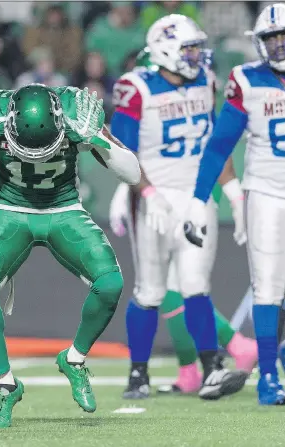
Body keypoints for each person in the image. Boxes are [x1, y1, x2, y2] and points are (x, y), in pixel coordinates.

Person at [0, 85, 140, 427]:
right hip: (12, 210)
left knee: (111, 283)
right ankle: (6, 385)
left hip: (65, 208)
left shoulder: (74, 112)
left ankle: (74, 359)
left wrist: (99, 138)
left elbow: (133, 173)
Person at [112, 14, 249, 401]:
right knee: (150, 289)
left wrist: (233, 191)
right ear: (166, 50)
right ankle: (137, 374)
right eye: (188, 48)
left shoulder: (205, 80)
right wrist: (145, 192)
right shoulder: (135, 87)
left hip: (195, 196)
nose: (196, 55)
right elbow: (121, 152)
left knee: (194, 285)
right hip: (154, 195)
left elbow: (216, 143)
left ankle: (212, 370)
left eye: (196, 48)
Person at [184, 3, 285, 406]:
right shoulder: (246, 79)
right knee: (268, 289)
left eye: (284, 37)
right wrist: (197, 197)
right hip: (266, 193)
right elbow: (219, 145)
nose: (278, 45)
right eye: (271, 38)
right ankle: (270, 379)